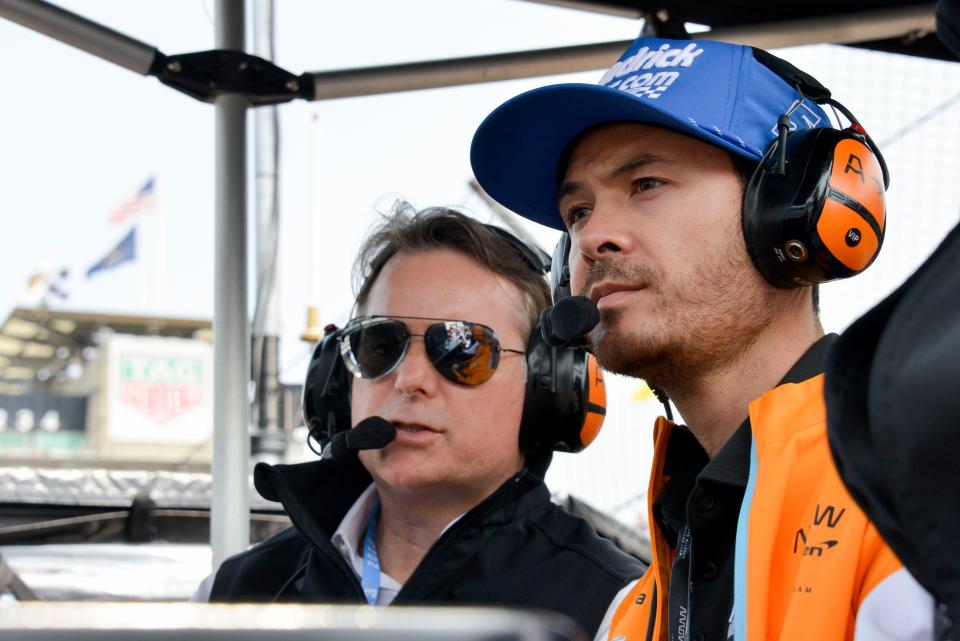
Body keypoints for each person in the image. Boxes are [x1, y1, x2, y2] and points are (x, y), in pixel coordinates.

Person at [471, 36, 933, 641]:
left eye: (647, 184)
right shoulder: (632, 620)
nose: (591, 238)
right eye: (577, 211)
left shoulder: (919, 492)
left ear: (795, 208)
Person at [195, 204, 645, 640]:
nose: (409, 380)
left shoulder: (615, 611)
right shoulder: (232, 597)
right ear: (335, 381)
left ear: (546, 386)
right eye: (379, 345)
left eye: (462, 347)